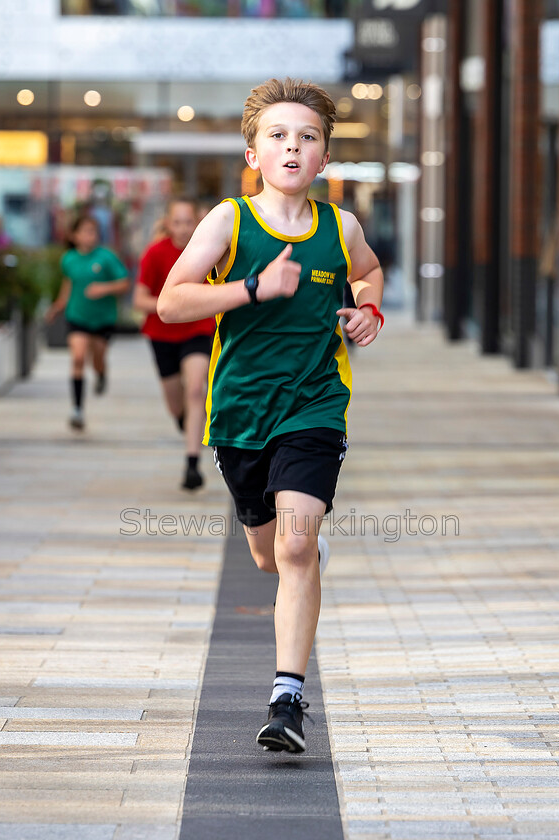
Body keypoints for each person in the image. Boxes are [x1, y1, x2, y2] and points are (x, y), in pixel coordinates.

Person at [157, 78, 384, 754]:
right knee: (272, 554)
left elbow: (369, 271)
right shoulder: (229, 221)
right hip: (239, 416)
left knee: (293, 545)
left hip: (315, 404)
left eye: (308, 137)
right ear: (253, 153)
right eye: (279, 136)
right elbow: (171, 303)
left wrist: (367, 307)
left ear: (322, 157)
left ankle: (287, 697)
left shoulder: (340, 227)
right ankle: (300, 558)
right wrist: (253, 287)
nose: (293, 146)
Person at [133, 199, 214, 490]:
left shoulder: (208, 251)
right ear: (167, 224)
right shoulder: (155, 253)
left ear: (198, 223)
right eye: (176, 222)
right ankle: (185, 422)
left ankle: (192, 464)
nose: (182, 228)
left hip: (199, 329)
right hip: (162, 333)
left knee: (196, 390)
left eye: (188, 222)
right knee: (175, 401)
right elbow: (139, 300)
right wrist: (171, 305)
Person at [46, 215, 130, 431]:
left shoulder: (107, 257)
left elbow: (124, 283)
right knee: (78, 357)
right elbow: (68, 285)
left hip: (103, 318)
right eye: (84, 231)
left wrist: (103, 289)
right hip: (77, 316)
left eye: (92, 231)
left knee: (98, 357)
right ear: (74, 236)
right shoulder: (68, 259)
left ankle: (101, 373)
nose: (88, 236)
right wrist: (57, 306)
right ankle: (77, 408)